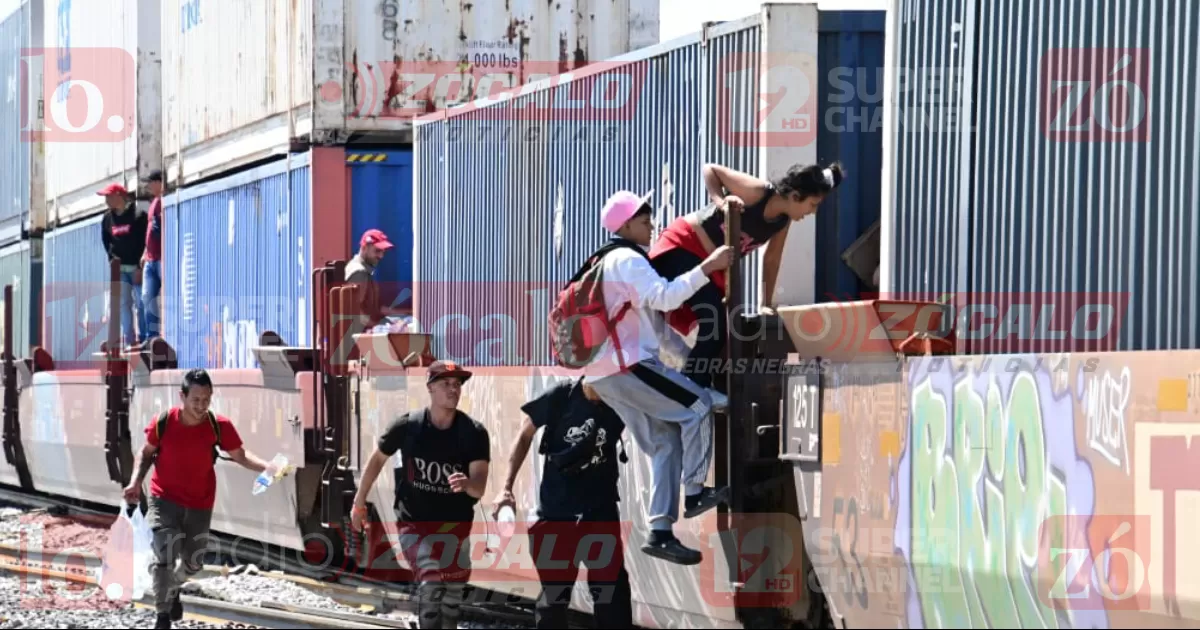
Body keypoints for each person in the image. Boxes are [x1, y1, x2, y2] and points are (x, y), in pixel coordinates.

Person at [580, 189, 733, 566]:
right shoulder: (626, 261)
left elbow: (657, 327)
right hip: (626, 366)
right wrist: (707, 267)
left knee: (666, 441)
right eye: (645, 221)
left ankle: (660, 533)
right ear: (626, 225)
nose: (652, 227)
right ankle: (695, 493)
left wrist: (686, 362)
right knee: (698, 405)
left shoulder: (607, 263)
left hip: (607, 373)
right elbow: (665, 299)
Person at [648, 162, 845, 391]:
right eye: (813, 204)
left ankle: (703, 388)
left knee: (721, 330)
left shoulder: (782, 221)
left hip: (709, 266)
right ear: (794, 195)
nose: (812, 212)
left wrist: (766, 304)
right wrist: (720, 201)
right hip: (682, 247)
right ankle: (691, 393)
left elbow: (771, 260)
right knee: (715, 326)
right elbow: (711, 170)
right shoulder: (758, 192)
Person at [122, 369, 285, 629]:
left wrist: (268, 468)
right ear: (182, 397)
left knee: (194, 563)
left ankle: (173, 588)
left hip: (200, 504)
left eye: (206, 399)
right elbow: (146, 453)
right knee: (164, 551)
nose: (201, 405)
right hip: (164, 498)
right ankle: (162, 615)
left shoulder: (218, 426)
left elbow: (240, 455)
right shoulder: (163, 422)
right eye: (195, 400)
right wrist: (134, 482)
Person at [351, 360, 491, 629]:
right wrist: (359, 503)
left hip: (456, 526)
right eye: (445, 384)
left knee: (452, 593)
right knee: (431, 582)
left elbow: (479, 485)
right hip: (414, 525)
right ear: (430, 388)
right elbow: (377, 460)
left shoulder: (473, 433)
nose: (453, 390)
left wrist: (467, 485)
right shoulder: (408, 426)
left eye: (457, 384)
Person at [493, 377, 633, 628]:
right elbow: (525, 434)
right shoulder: (562, 395)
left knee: (613, 594)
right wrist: (505, 489)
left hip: (599, 512)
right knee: (554, 599)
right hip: (557, 513)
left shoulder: (621, 398)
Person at [99, 182, 149, 349]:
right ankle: (129, 340)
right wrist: (112, 260)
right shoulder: (107, 219)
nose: (106, 200)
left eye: (109, 196)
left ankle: (144, 338)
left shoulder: (138, 215)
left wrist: (140, 267)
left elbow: (144, 242)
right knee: (124, 305)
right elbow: (106, 242)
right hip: (119, 271)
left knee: (142, 303)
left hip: (136, 268)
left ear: (119, 196)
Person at [141, 170, 165, 343]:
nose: (148, 186)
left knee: (166, 298)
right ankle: (152, 337)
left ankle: (162, 334)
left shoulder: (164, 202)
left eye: (151, 182)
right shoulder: (153, 203)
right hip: (150, 259)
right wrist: (144, 253)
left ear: (159, 182)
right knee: (147, 297)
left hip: (161, 258)